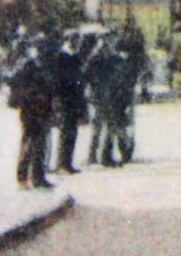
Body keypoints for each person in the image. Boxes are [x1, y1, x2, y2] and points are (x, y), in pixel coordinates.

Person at [6, 33, 55, 189]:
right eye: (42, 48)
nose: (44, 52)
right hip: (30, 110)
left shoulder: (46, 66)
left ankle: (39, 178)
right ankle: (22, 177)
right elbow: (15, 82)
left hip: (44, 110)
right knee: (28, 144)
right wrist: (32, 95)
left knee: (41, 145)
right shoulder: (28, 64)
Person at [87, 36, 134, 167]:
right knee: (98, 127)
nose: (106, 46)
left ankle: (106, 156)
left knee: (111, 128)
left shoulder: (117, 60)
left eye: (108, 43)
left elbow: (124, 80)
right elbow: (87, 76)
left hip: (113, 98)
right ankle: (93, 155)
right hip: (100, 98)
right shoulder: (96, 60)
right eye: (103, 44)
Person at [51, 32, 89, 174]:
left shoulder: (75, 57)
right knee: (65, 132)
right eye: (74, 40)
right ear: (67, 40)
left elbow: (80, 78)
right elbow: (57, 81)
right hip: (64, 100)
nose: (77, 42)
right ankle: (61, 164)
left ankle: (68, 163)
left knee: (72, 132)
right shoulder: (60, 57)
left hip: (75, 100)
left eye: (78, 40)